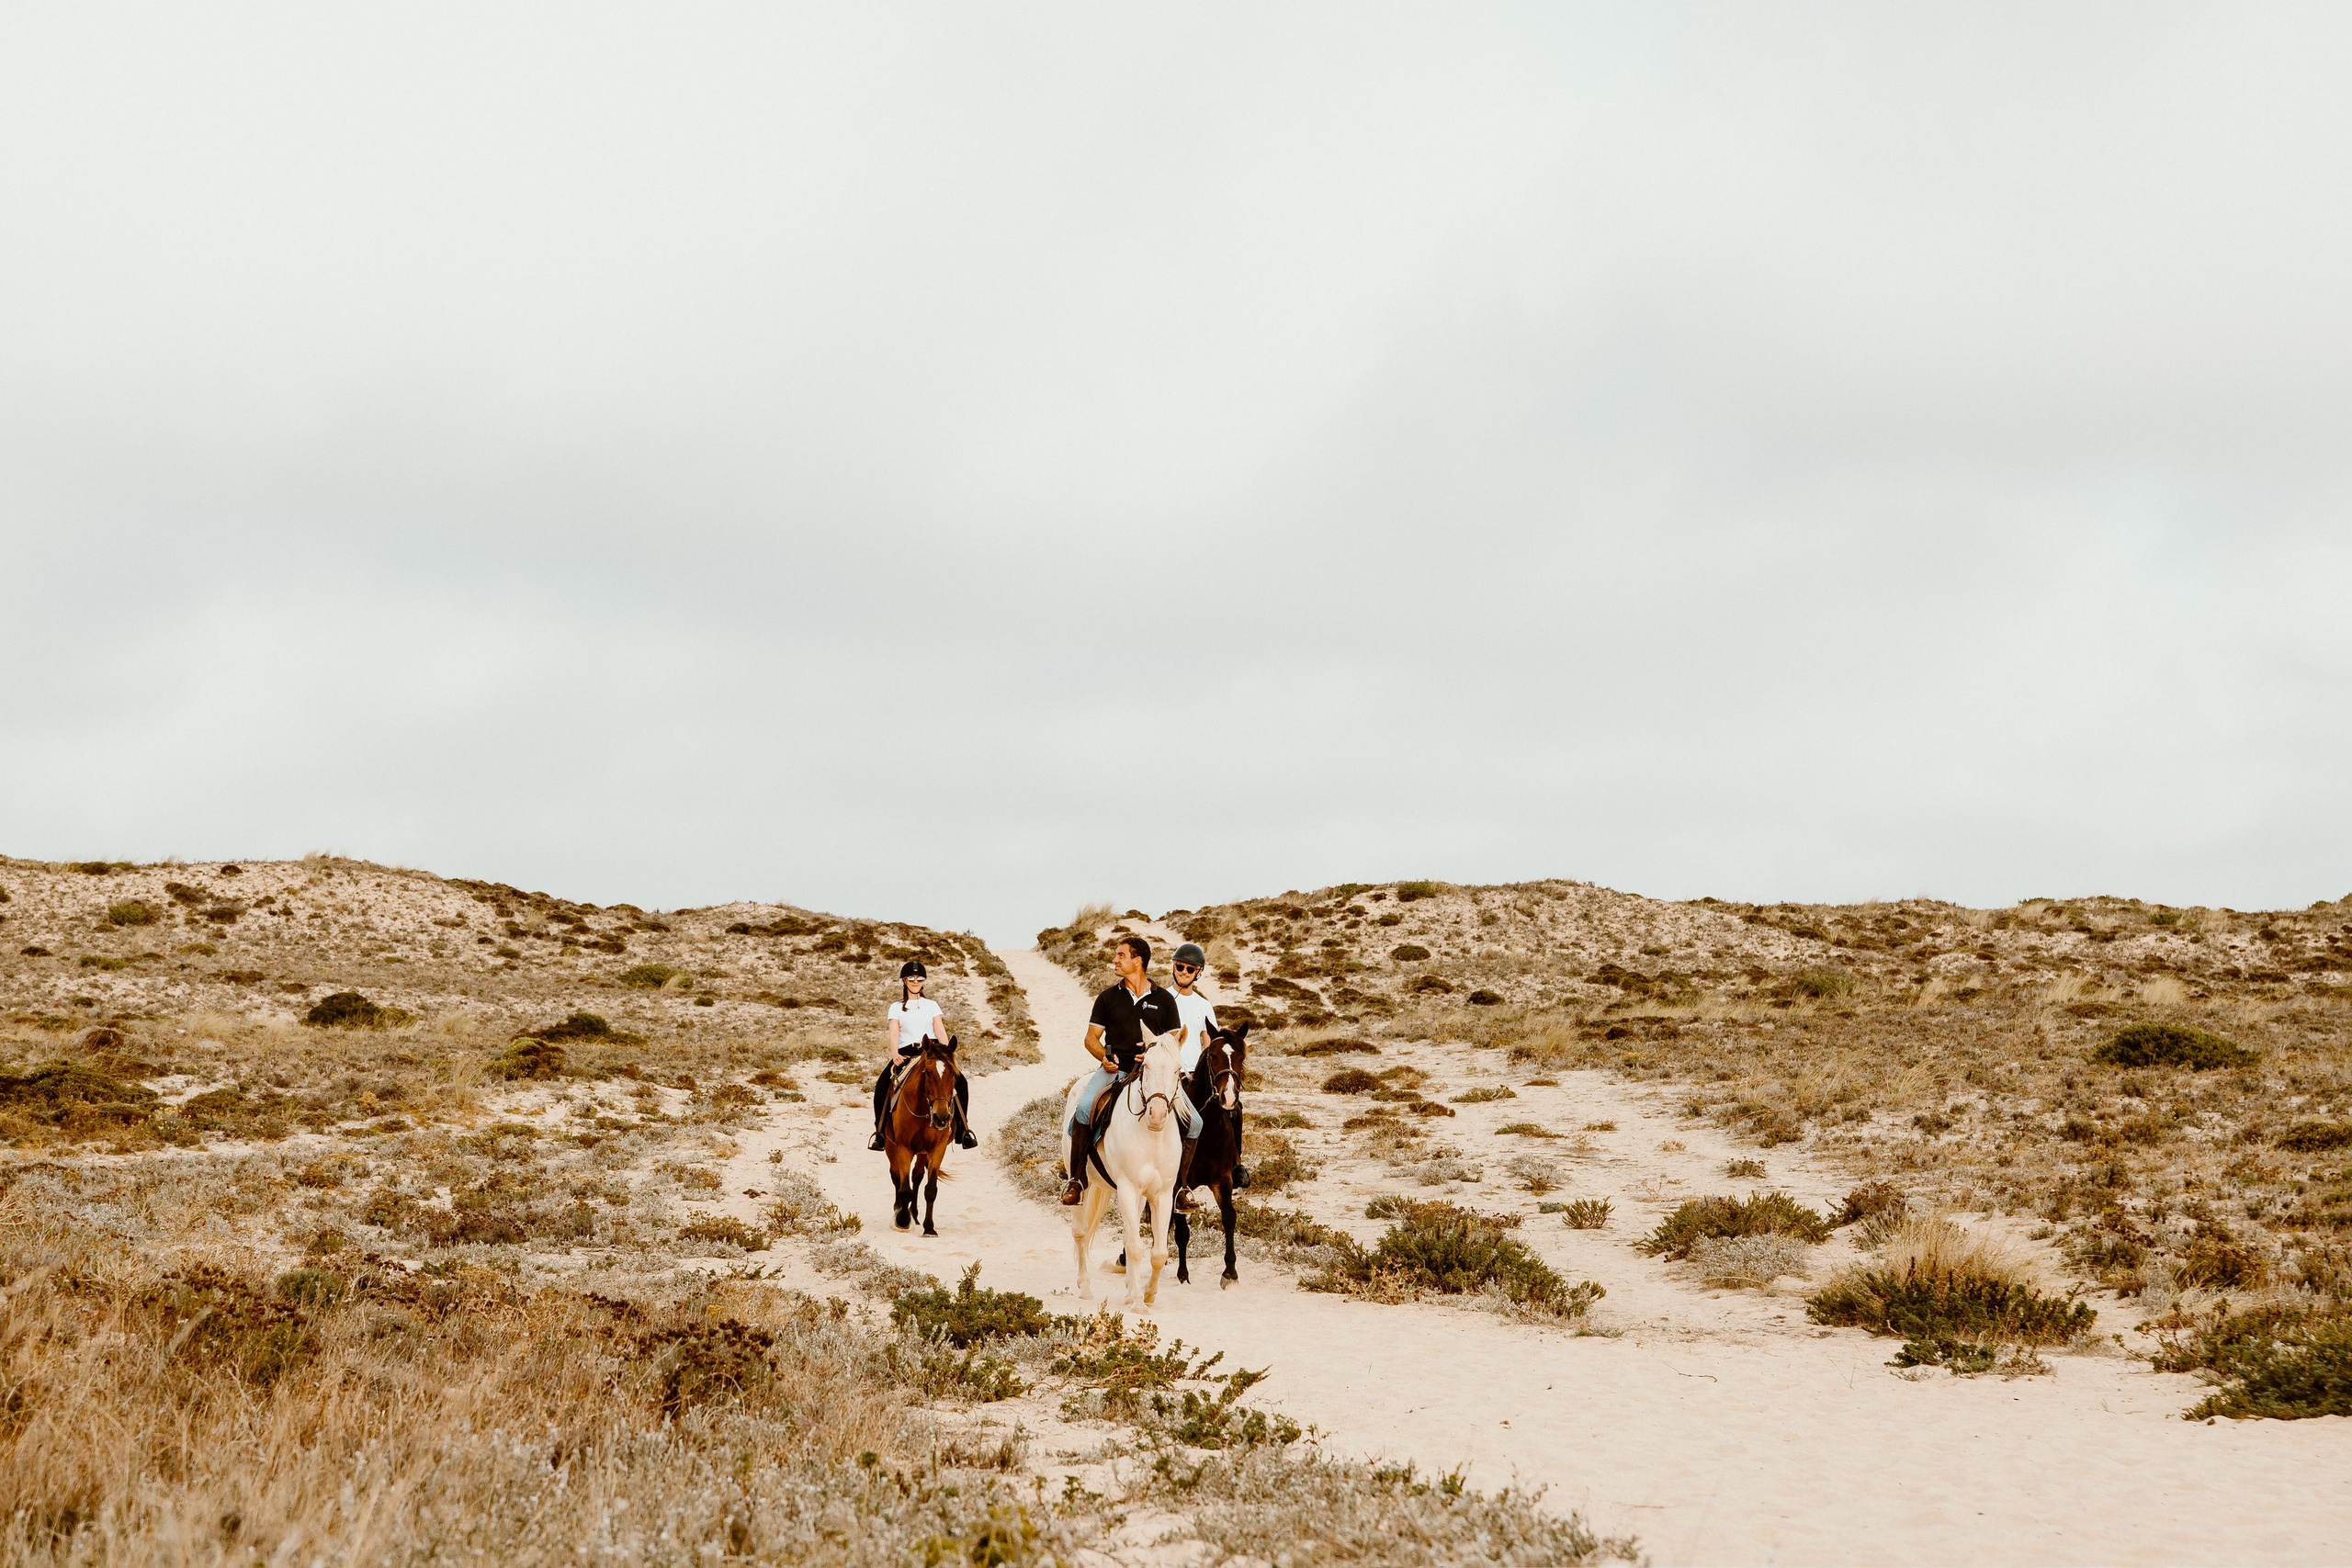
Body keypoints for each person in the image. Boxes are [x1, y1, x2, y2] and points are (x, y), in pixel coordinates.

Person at [1061, 933, 1201, 1206]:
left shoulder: (1164, 1000)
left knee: (1195, 1122)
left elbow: (1174, 1043)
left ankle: (1181, 1188)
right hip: (1116, 1070)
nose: (1115, 960)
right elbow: (1091, 1039)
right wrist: (1105, 1058)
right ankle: (1077, 1179)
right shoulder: (1107, 998)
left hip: (1155, 1077)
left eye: (1121, 955)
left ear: (1138, 961)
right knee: (1083, 1108)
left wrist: (1152, 1052)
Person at [870, 960, 977, 1151]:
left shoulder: (931, 1005)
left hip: (931, 1052)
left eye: (919, 978)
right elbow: (894, 1033)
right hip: (906, 1053)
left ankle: (963, 1130)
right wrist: (894, 1053)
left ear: (923, 981)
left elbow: (939, 1029)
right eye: (911, 978)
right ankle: (879, 1133)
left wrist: (947, 1052)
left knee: (961, 1082)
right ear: (904, 980)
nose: (915, 981)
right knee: (882, 1084)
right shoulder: (896, 1007)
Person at [1168, 941, 1248, 1190]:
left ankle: (1235, 1164)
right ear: (1173, 966)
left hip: (1198, 1073)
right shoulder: (1163, 998)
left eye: (1190, 969)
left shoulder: (1203, 1005)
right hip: (1171, 1071)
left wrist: (1211, 1075)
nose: (1183, 972)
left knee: (1234, 1109)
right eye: (1180, 966)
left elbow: (1209, 1043)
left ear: (1198, 973)